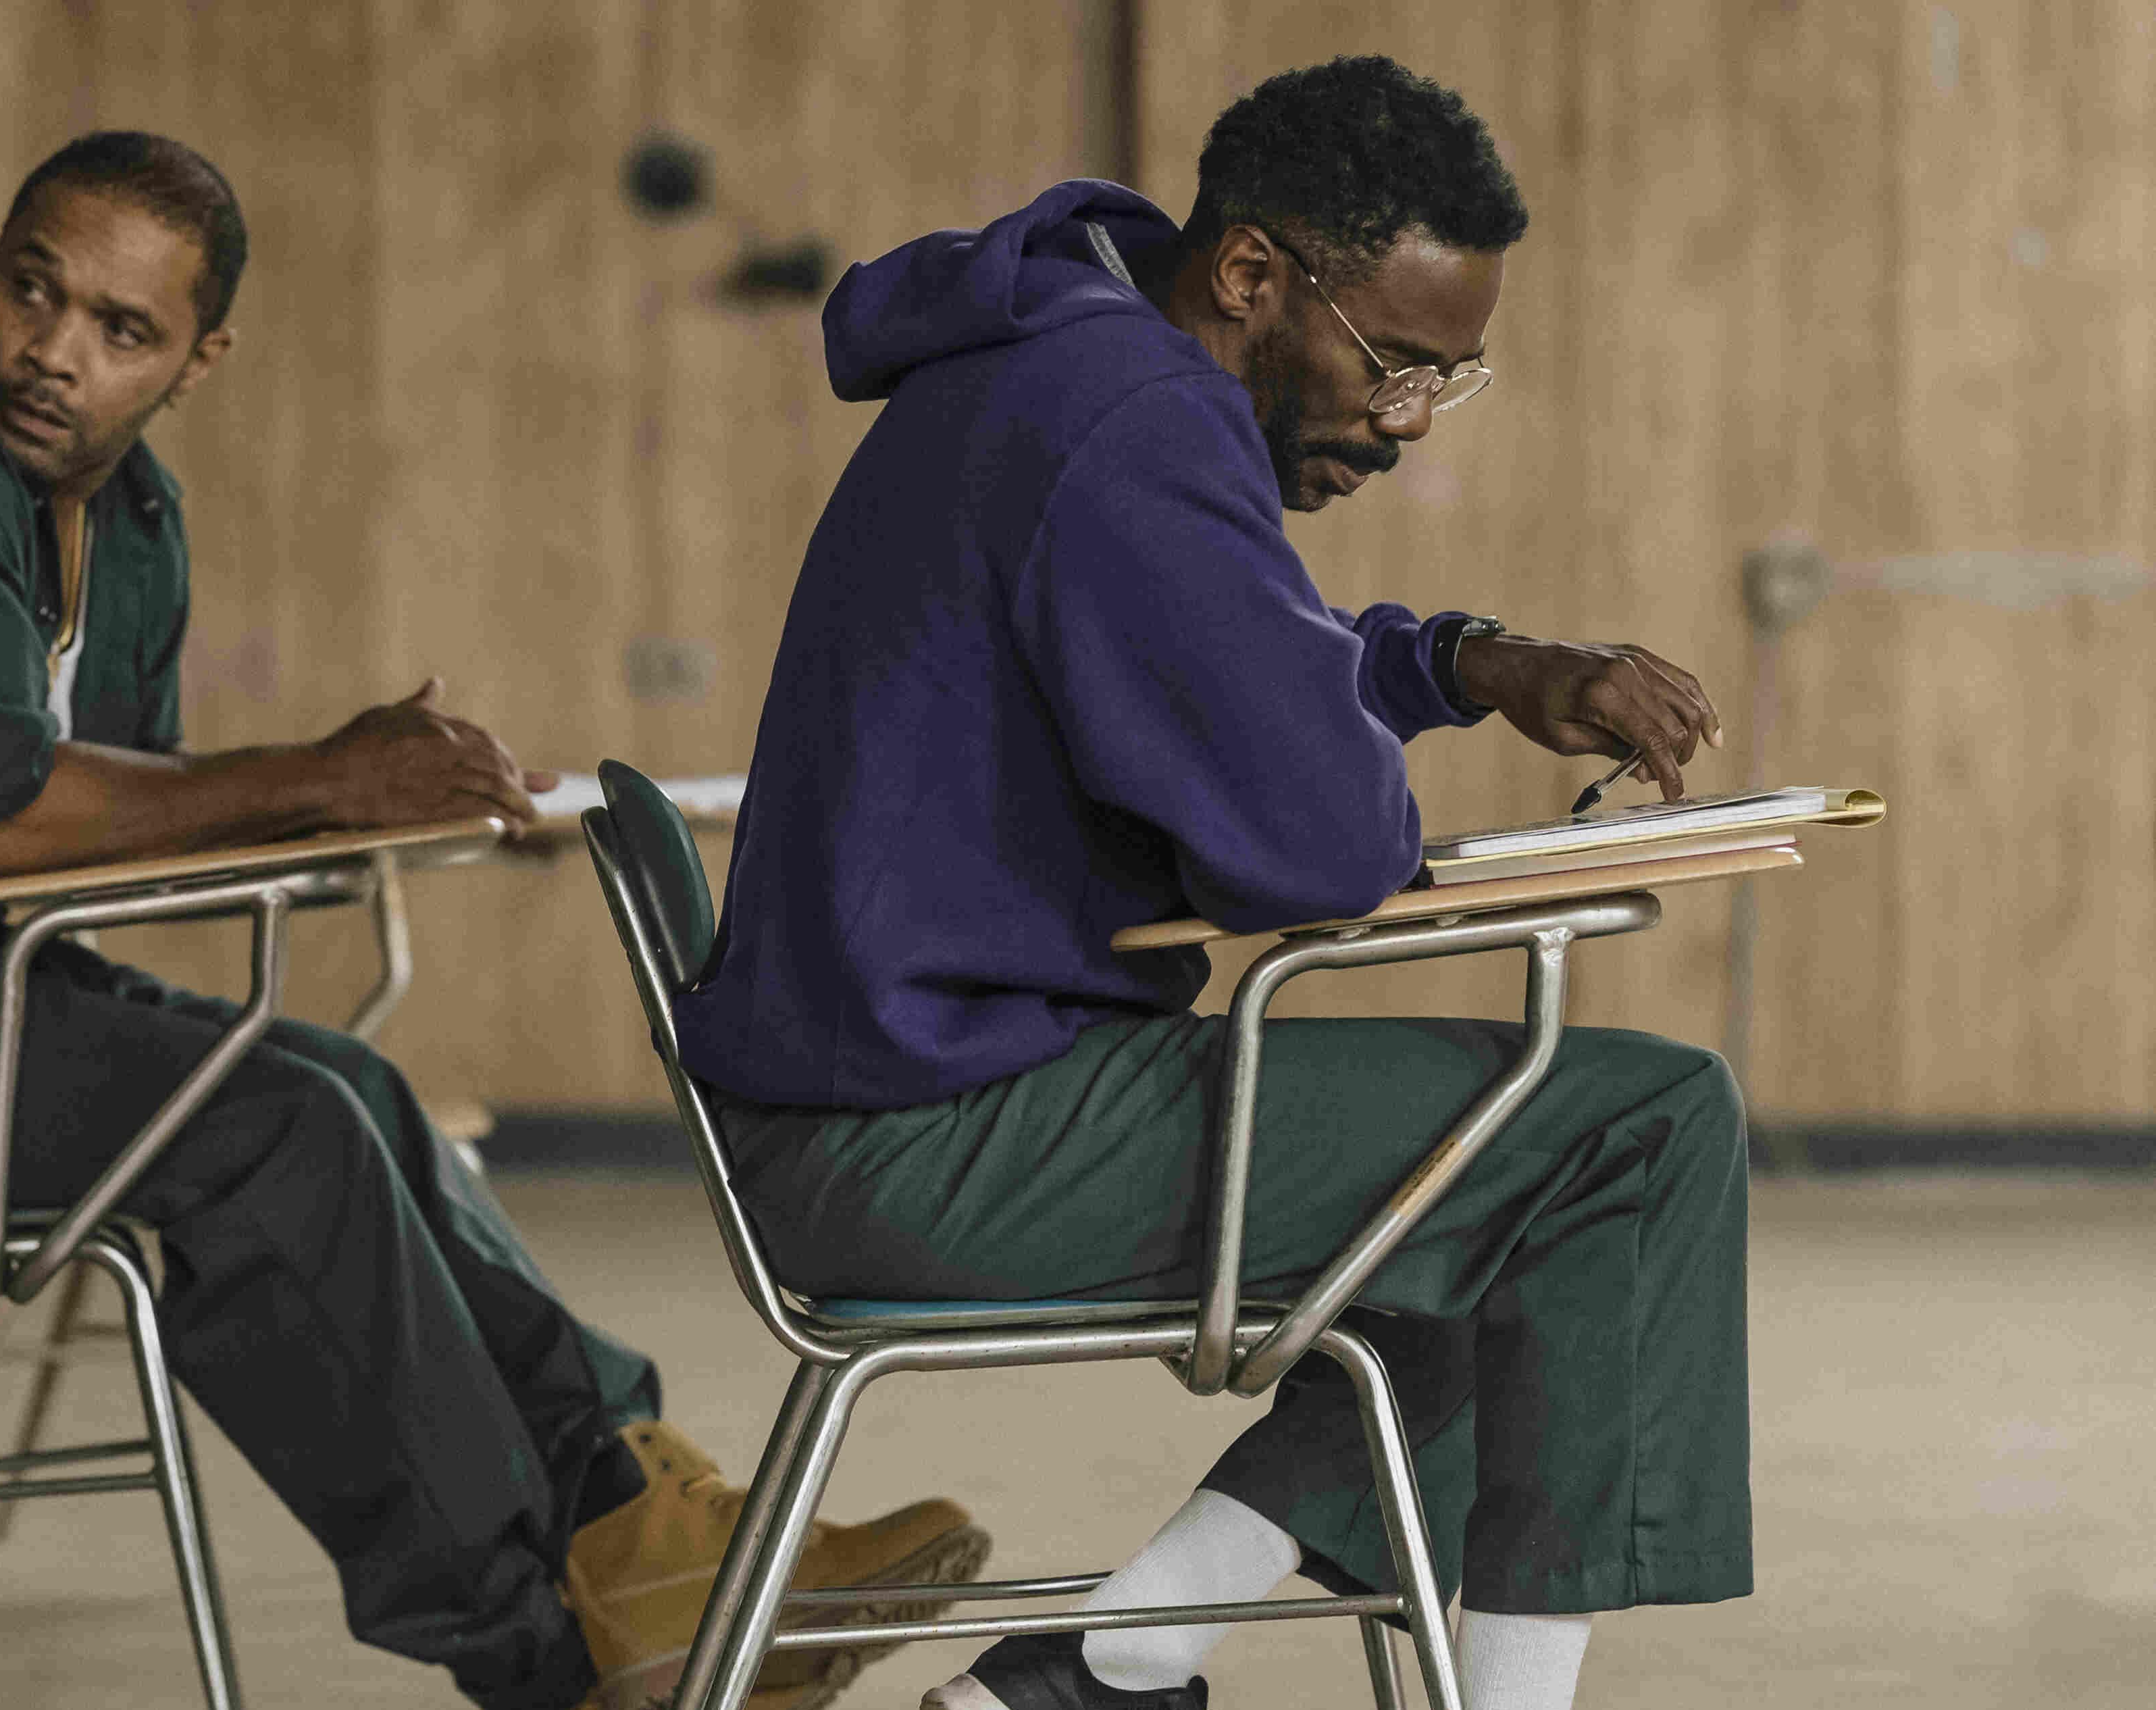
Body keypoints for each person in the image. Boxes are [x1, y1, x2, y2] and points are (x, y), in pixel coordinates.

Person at [0, 130, 983, 1710]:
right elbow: (1, 818)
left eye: (120, 331)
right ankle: (543, 1660)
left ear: (197, 361)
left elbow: (105, 827)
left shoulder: (127, 520)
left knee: (352, 1090)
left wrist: (390, 807)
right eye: (33, 291)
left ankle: (639, 1519)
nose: (54, 352)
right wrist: (325, 783)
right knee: (271, 1137)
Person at [671, 58, 1748, 1710]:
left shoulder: (1052, 351)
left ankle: (1120, 1657)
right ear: (1252, 276)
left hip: (874, 1087)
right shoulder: (1130, 426)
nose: (1403, 420)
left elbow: (1223, 674)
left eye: (1449, 384)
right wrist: (1373, 728)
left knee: (1491, 1165)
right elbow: (1318, 841)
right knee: (1626, 1136)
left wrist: (1467, 663)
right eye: (1395, 364)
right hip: (930, 1132)